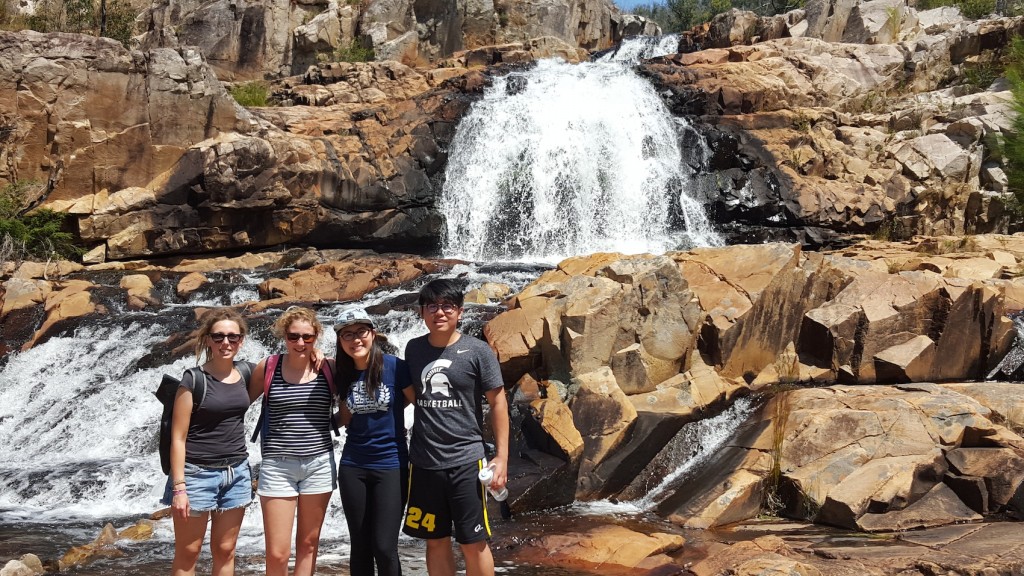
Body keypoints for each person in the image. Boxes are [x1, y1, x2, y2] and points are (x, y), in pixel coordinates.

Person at [402, 279, 509, 576]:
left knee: (473, 542)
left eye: (447, 306)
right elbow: (407, 392)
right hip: (424, 463)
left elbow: (499, 403)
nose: (440, 312)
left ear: (459, 312)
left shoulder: (477, 351)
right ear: (422, 313)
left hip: (466, 461)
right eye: (432, 306)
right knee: (435, 542)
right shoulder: (413, 349)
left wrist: (501, 458)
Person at [163, 307, 254, 576]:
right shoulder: (193, 380)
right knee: (188, 552)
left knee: (226, 550)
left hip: (237, 473)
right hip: (196, 475)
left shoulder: (248, 373)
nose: (226, 343)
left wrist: (317, 354)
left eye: (232, 337)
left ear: (241, 340)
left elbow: (287, 367)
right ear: (208, 340)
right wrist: (179, 488)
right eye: (218, 337)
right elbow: (177, 438)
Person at [249, 307, 337, 576]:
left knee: (309, 545)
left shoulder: (329, 368)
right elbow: (236, 403)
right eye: (294, 336)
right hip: (277, 466)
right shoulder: (269, 367)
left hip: (319, 464)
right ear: (284, 336)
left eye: (307, 337)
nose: (301, 343)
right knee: (277, 552)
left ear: (317, 336)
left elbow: (355, 398)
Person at [331, 308, 415, 576]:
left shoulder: (395, 367)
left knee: (383, 546)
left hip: (391, 464)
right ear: (340, 340)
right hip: (353, 465)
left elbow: (422, 407)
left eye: (361, 332)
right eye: (347, 334)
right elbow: (344, 417)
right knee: (360, 546)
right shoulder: (342, 373)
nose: (355, 339)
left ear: (373, 333)